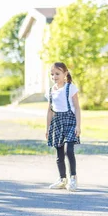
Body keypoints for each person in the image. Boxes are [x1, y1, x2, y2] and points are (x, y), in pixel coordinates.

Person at [46, 62, 81, 191]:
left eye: (57, 73)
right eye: (52, 74)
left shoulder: (70, 88)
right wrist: (47, 128)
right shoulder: (50, 90)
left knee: (69, 150)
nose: (54, 76)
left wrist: (78, 125)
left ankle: (73, 178)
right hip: (57, 123)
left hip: (70, 122)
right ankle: (62, 179)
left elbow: (77, 108)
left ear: (65, 74)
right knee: (59, 153)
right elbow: (50, 111)